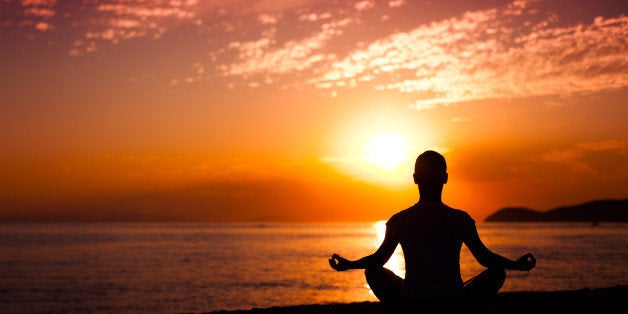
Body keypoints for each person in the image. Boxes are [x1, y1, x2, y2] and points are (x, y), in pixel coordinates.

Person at [329, 150, 536, 313]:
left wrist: (349, 265)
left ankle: (405, 313)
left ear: (415, 178)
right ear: (445, 178)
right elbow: (485, 258)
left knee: (372, 272)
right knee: (497, 272)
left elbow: (377, 261)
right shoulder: (460, 219)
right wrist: (516, 265)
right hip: (454, 302)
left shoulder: (399, 220)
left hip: (412, 303)